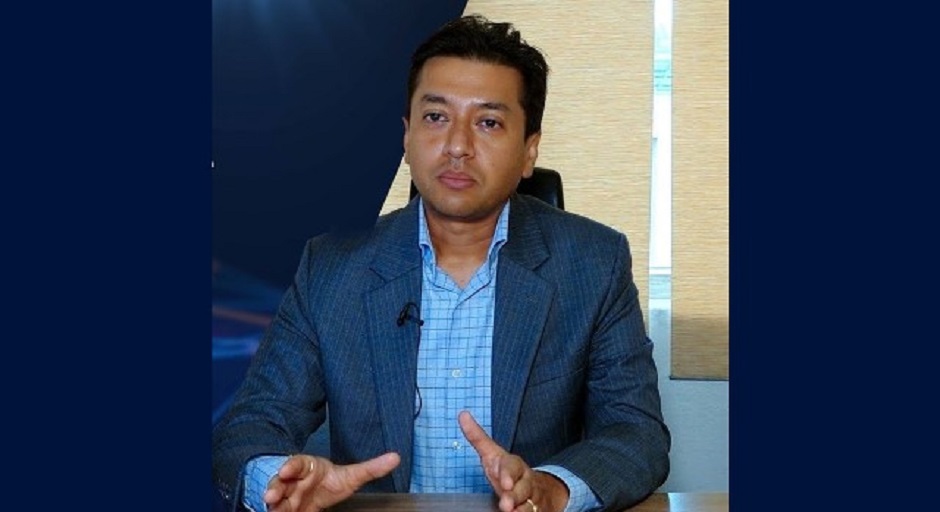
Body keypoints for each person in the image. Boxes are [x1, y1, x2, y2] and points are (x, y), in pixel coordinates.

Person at [212, 14, 670, 512]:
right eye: (435, 117)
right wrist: (276, 481)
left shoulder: (592, 263)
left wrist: (552, 489)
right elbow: (251, 424)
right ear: (406, 137)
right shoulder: (332, 267)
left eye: (488, 122)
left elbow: (635, 432)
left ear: (529, 151)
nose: (457, 146)